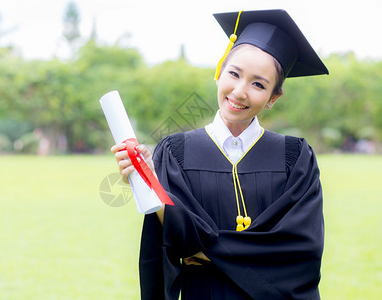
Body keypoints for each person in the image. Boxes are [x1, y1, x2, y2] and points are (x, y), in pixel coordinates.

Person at [111, 9, 327, 299]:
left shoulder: (295, 158)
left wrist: (204, 251)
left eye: (258, 84)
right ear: (219, 70)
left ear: (273, 97)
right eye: (234, 73)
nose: (239, 91)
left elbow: (300, 248)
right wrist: (147, 183)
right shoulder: (176, 153)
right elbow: (167, 241)